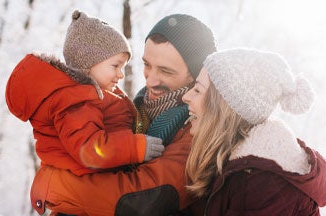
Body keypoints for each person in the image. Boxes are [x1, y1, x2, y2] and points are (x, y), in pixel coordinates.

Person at [19, 14, 217, 216]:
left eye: (166, 71)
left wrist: (58, 185)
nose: (150, 80)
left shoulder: (198, 126)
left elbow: (144, 199)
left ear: (195, 74)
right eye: (147, 65)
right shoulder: (135, 108)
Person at [6, 8, 166, 208]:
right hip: (78, 199)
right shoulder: (75, 101)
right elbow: (89, 149)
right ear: (89, 64)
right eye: (115, 66)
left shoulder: (92, 96)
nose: (121, 75)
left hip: (89, 188)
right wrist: (136, 147)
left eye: (123, 67)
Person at [182, 48, 326, 215]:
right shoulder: (228, 163)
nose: (186, 96)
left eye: (197, 90)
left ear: (222, 108)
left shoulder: (265, 185)